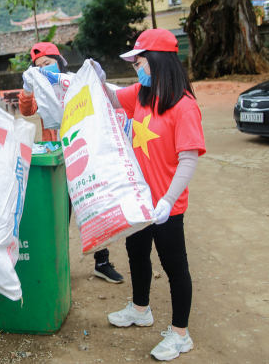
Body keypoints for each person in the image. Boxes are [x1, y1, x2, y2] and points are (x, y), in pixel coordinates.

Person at [92, 28, 206, 361]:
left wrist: (168, 201)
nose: (136, 69)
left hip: (166, 207)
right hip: (139, 202)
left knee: (174, 267)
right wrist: (94, 78)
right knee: (137, 253)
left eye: (139, 62)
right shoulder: (142, 94)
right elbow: (112, 99)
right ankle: (140, 310)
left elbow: (188, 159)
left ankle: (180, 335)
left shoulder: (184, 107)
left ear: (157, 61)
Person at [18, 42, 124, 284]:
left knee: (93, 207)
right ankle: (56, 265)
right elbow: (26, 110)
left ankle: (102, 262)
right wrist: (27, 88)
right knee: (58, 214)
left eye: (47, 63)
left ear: (60, 60)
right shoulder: (41, 90)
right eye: (38, 67)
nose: (44, 69)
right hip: (57, 158)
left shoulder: (76, 82)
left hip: (84, 154)